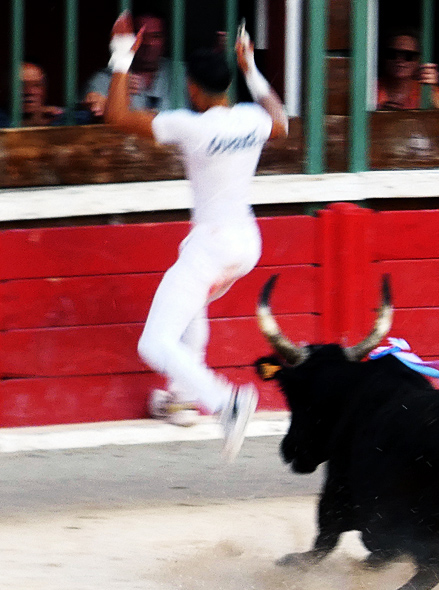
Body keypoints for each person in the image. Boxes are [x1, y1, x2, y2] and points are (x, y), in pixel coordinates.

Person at [104, 13, 289, 461]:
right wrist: (251, 67)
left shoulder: (191, 127)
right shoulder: (250, 118)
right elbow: (281, 121)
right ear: (227, 85)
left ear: (190, 88)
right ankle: (181, 395)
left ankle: (227, 402)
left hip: (210, 247)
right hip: (246, 245)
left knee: (154, 341)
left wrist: (121, 53)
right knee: (191, 306)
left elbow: (116, 116)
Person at [85, 12, 174, 119]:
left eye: (155, 36)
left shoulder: (180, 74)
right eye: (140, 36)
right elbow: (90, 106)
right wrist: (116, 90)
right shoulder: (105, 79)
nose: (148, 43)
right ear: (128, 38)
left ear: (165, 40)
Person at [378, 28, 439, 110]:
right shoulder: (370, 88)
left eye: (408, 55)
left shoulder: (427, 90)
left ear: (419, 60)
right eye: (392, 54)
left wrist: (433, 91)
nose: (399, 60)